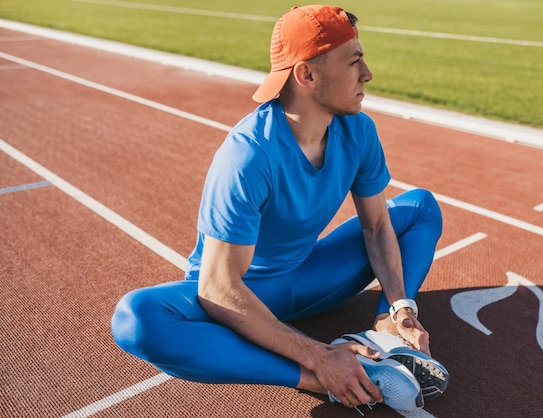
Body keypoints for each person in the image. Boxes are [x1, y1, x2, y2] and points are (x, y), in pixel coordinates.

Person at [111, 5, 446, 416]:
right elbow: (218, 289)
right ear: (306, 75)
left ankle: (384, 340)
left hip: (308, 278)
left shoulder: (359, 130)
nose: (368, 74)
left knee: (420, 206)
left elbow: (377, 227)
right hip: (242, 300)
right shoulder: (248, 155)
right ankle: (331, 381)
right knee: (136, 318)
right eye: (355, 61)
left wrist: (400, 308)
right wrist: (318, 358)